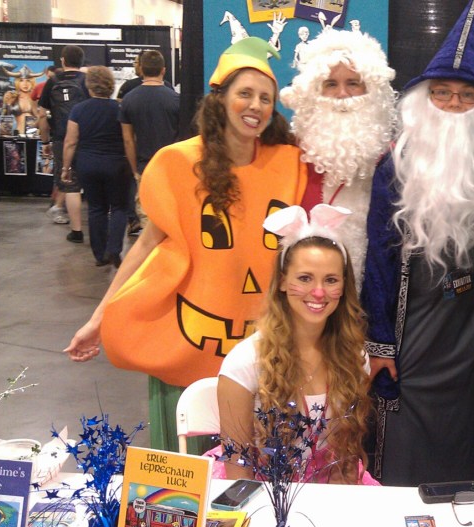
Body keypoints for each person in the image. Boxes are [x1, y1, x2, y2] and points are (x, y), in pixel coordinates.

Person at [64, 37, 309, 452]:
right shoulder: (177, 163)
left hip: (260, 346)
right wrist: (99, 318)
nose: (255, 106)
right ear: (220, 98)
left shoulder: (288, 163)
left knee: (254, 464)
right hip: (187, 341)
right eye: (245, 93)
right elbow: (145, 249)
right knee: (189, 469)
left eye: (265, 98)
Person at [361, 0, 474, 485]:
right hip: (414, 324)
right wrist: (380, 343)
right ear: (424, 100)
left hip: (471, 327)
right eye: (442, 93)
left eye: (466, 96)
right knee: (402, 425)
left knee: (465, 426)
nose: (453, 106)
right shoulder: (396, 166)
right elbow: (378, 262)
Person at [217, 205, 375, 485]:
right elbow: (238, 473)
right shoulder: (243, 363)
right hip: (261, 491)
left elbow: (347, 460)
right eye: (305, 278)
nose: (319, 292)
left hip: (329, 490)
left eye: (331, 280)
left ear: (344, 287)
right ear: (282, 282)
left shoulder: (355, 358)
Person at [279, 22, 396, 289]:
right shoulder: (290, 156)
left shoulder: (393, 162)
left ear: (372, 91)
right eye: (331, 84)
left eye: (353, 83)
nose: (342, 94)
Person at [60, 66, 132, 267]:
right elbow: (128, 139)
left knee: (96, 208)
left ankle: (100, 255)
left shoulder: (78, 110)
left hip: (88, 163)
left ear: (89, 85)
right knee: (119, 207)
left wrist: (66, 167)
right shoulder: (119, 108)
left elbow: (70, 141)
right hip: (116, 164)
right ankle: (114, 249)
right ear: (111, 85)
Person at [119, 50, 180, 235]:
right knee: (171, 217)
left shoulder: (128, 99)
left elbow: (128, 140)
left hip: (144, 167)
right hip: (170, 168)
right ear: (163, 70)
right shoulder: (176, 99)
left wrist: (134, 170)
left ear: (141, 69)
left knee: (147, 221)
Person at [37, 45, 89, 236]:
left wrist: (45, 142)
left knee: (66, 177)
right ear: (82, 61)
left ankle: (62, 211)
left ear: (63, 61)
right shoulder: (87, 81)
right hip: (86, 137)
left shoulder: (52, 82)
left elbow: (42, 115)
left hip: (60, 137)